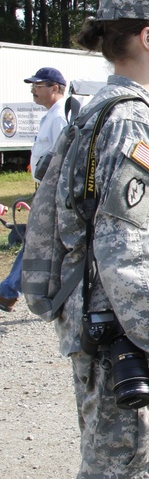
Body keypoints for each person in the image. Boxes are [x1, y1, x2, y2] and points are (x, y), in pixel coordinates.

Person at [23, 0, 149, 479]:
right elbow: (129, 250)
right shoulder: (130, 120)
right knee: (121, 475)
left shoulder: (109, 109)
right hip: (124, 334)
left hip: (113, 325)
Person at [0, 67, 69, 313]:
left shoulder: (59, 116)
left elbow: (64, 158)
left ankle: (8, 291)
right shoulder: (52, 115)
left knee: (37, 242)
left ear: (54, 88)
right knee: (42, 243)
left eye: (38, 86)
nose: (33, 90)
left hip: (53, 190)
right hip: (45, 189)